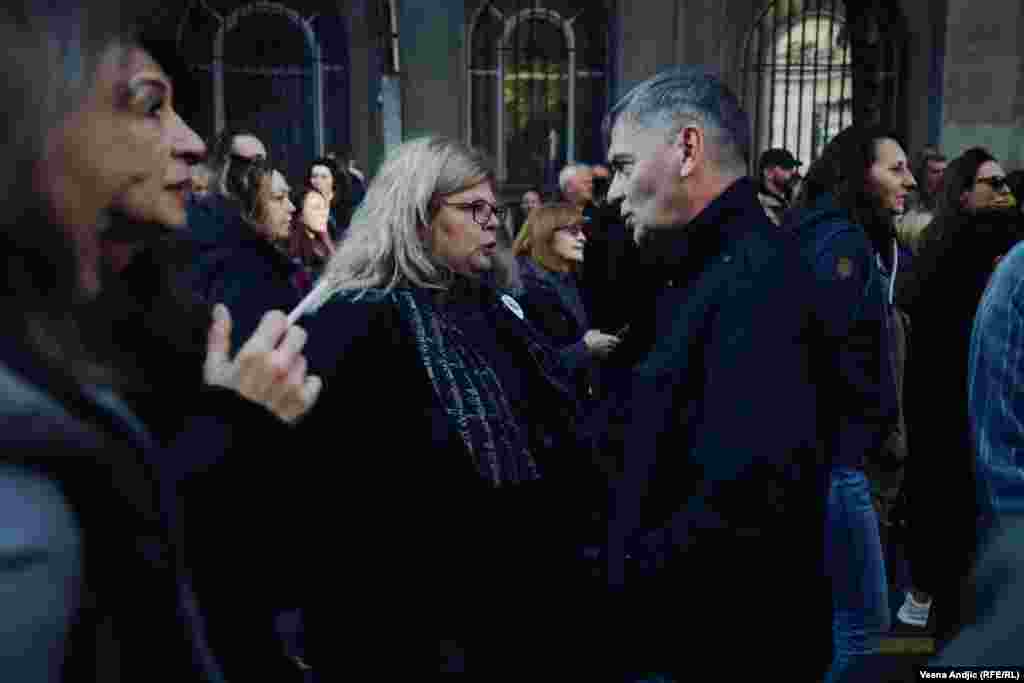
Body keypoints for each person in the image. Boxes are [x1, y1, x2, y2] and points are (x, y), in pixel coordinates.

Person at [0, 3, 319, 680]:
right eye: (150, 108)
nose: (191, 142)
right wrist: (238, 419)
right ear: (40, 125)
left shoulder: (153, 311)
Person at [296, 136, 601, 676]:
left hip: (513, 607)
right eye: (472, 209)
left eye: (495, 210)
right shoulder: (353, 320)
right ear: (416, 218)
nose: (493, 223)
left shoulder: (488, 303)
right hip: (413, 630)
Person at [599, 66, 830, 681]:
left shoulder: (754, 279)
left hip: (715, 649)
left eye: (623, 166)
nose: (613, 193)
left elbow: (742, 500)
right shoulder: (698, 266)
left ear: (687, 148)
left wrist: (611, 584)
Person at [786, 125, 913, 680]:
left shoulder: (836, 235)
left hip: (833, 454)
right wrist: (872, 426)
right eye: (896, 168)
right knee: (866, 627)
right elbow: (835, 355)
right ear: (861, 175)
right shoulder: (840, 244)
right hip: (837, 459)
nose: (908, 180)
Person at [895, 147, 1024, 642]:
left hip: (982, 430)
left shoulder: (999, 250)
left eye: (1005, 183)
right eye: (992, 184)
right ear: (964, 192)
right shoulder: (942, 253)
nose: (1005, 192)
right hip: (948, 431)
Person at [189, 160, 304, 348]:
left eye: (288, 196)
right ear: (248, 208)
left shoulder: (265, 265)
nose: (291, 206)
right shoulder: (246, 276)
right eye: (278, 198)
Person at [513, 202, 620, 402]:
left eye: (581, 230)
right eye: (573, 231)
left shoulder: (566, 277)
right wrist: (585, 348)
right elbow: (531, 368)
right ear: (546, 235)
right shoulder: (523, 290)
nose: (583, 238)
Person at [898, 146, 947, 253]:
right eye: (936, 171)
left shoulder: (950, 200)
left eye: (944, 171)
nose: (942, 176)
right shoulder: (906, 198)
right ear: (923, 173)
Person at [288, 187, 335, 293]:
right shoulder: (295, 250)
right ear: (300, 216)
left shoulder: (326, 235)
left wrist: (326, 238)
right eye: (315, 208)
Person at [757, 147, 802, 226]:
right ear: (768, 172)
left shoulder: (788, 198)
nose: (792, 172)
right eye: (786, 168)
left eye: (792, 168)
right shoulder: (759, 203)